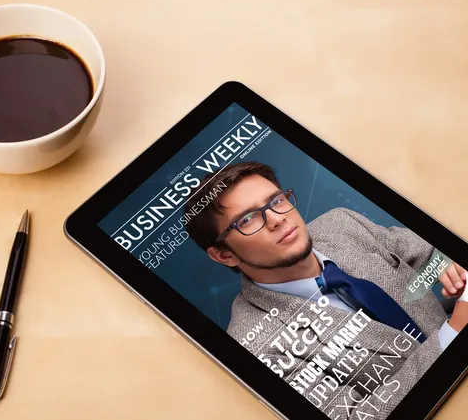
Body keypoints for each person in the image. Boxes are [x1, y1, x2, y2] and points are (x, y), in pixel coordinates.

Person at [184, 161, 468, 420]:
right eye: (247, 220)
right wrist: (453, 332)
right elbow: (358, 416)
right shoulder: (252, 347)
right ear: (223, 255)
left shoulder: (341, 223)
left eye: (276, 201)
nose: (276, 219)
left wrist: (449, 269)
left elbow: (431, 254)